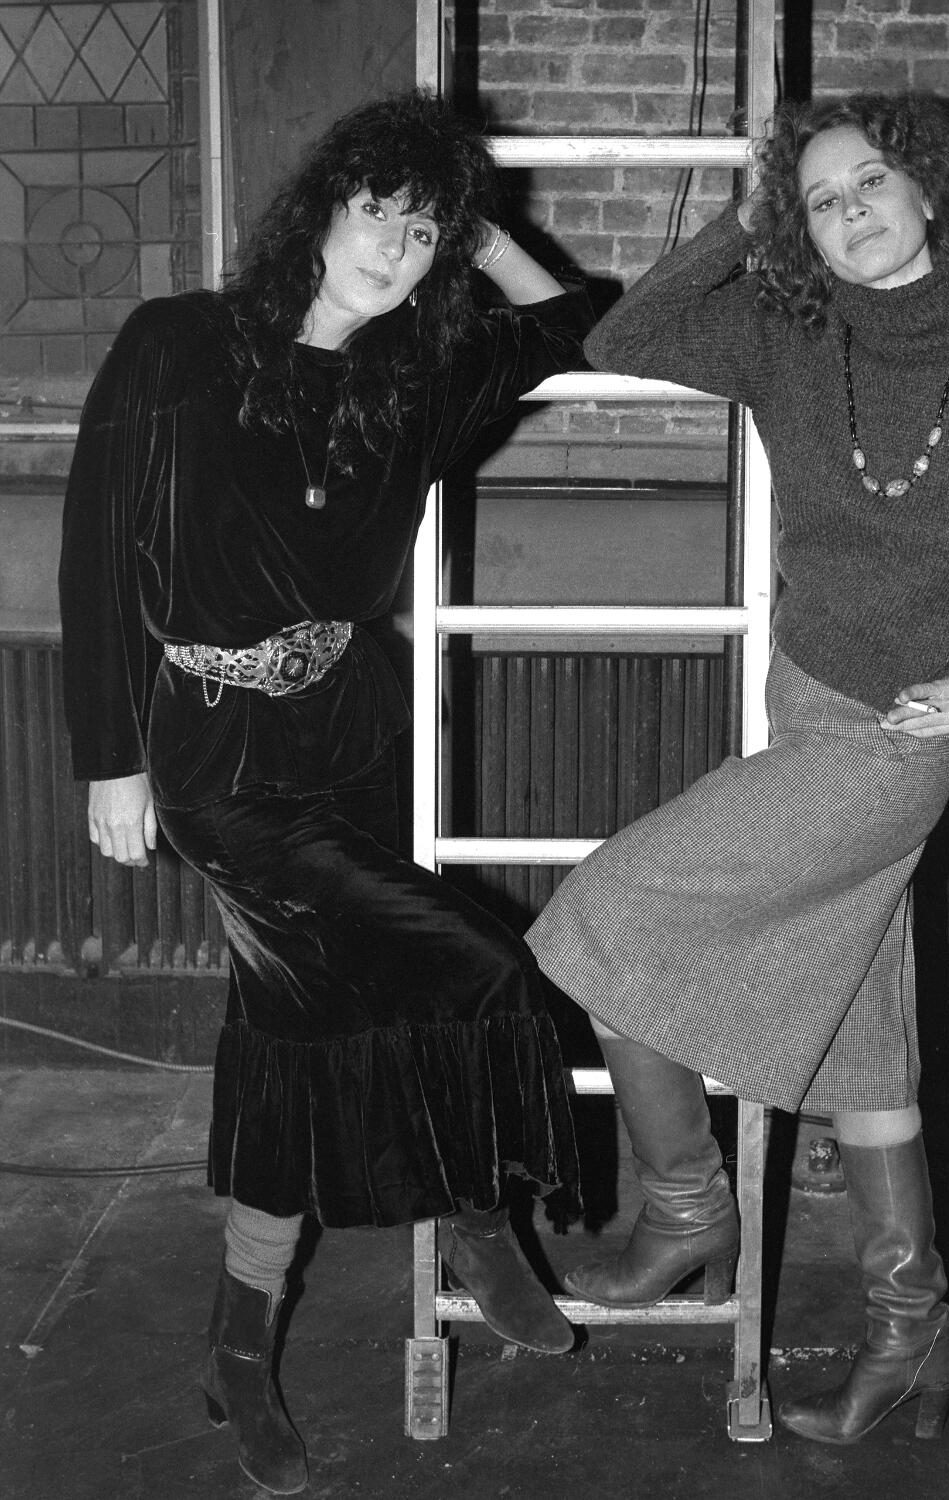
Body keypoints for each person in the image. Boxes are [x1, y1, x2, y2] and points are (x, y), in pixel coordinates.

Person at [526, 92, 949, 1445]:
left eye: (871, 181)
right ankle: (909, 1327)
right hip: (799, 707)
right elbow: (620, 332)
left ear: (933, 191)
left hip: (890, 745)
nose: (851, 212)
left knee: (601, 914)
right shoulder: (789, 339)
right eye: (820, 201)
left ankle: (686, 1211)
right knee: (873, 1052)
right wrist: (745, 218)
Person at [58, 91, 591, 1494]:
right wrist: (107, 756)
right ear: (322, 206)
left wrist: (478, 235)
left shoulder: (410, 380)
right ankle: (477, 1217)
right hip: (218, 748)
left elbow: (576, 320)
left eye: (426, 233)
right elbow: (95, 552)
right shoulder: (175, 343)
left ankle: (240, 1346)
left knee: (297, 1032)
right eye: (380, 212)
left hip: (353, 731)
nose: (397, 251)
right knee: (473, 966)